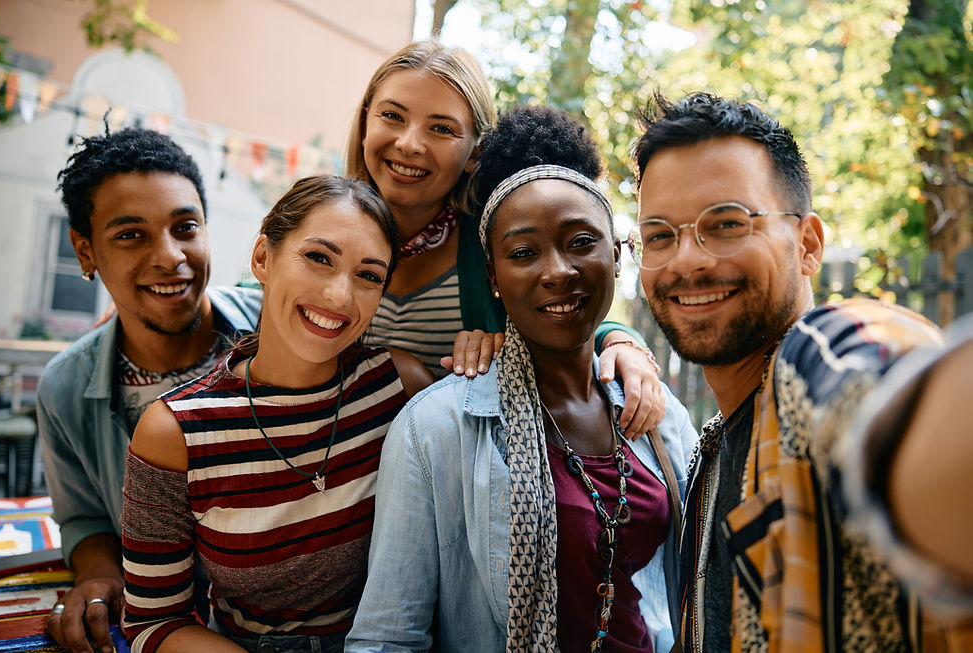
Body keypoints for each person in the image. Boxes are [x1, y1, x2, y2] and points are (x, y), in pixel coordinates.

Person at [346, 105, 698, 653]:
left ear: (618, 255)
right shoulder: (436, 428)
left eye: (582, 242)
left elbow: (688, 598)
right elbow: (387, 636)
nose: (557, 271)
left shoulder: (657, 414)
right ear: (493, 275)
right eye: (524, 252)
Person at [631, 91, 969, 651]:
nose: (687, 259)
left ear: (807, 244)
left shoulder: (820, 355)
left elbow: (876, 393)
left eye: (727, 223)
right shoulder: (704, 463)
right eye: (660, 236)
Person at [121, 175, 434, 652]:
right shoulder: (174, 432)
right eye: (318, 258)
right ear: (263, 258)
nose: (339, 297)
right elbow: (153, 623)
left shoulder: (399, 386)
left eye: (368, 276)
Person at [346, 39, 666, 436]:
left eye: (441, 128)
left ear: (474, 154)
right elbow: (262, 299)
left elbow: (568, 314)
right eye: (392, 116)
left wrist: (622, 343)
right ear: (364, 124)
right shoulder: (326, 221)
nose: (410, 143)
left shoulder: (499, 244)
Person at [39, 127, 262, 653]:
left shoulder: (279, 327)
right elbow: (84, 516)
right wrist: (96, 574)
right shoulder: (66, 388)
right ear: (85, 250)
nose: (170, 257)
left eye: (186, 227)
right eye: (131, 234)